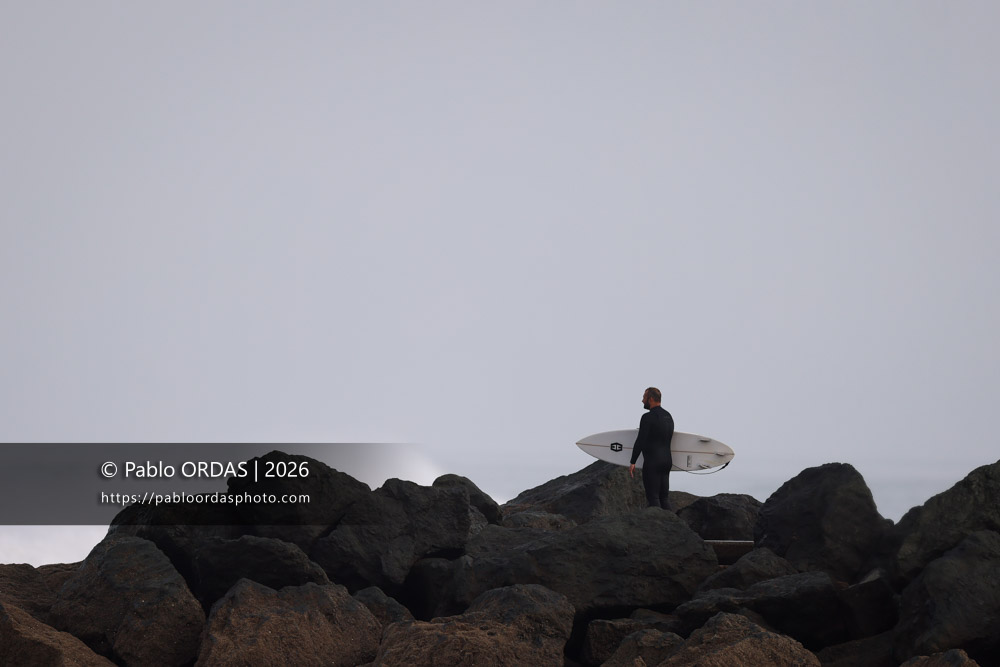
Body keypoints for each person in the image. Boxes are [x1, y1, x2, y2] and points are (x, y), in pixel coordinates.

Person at [629, 387, 674, 510]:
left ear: (651, 399)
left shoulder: (647, 417)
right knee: (664, 498)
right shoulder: (668, 416)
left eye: (644, 398)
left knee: (653, 498)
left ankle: (658, 528)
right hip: (667, 462)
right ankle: (672, 525)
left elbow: (641, 440)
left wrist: (633, 461)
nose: (642, 401)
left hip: (653, 462)